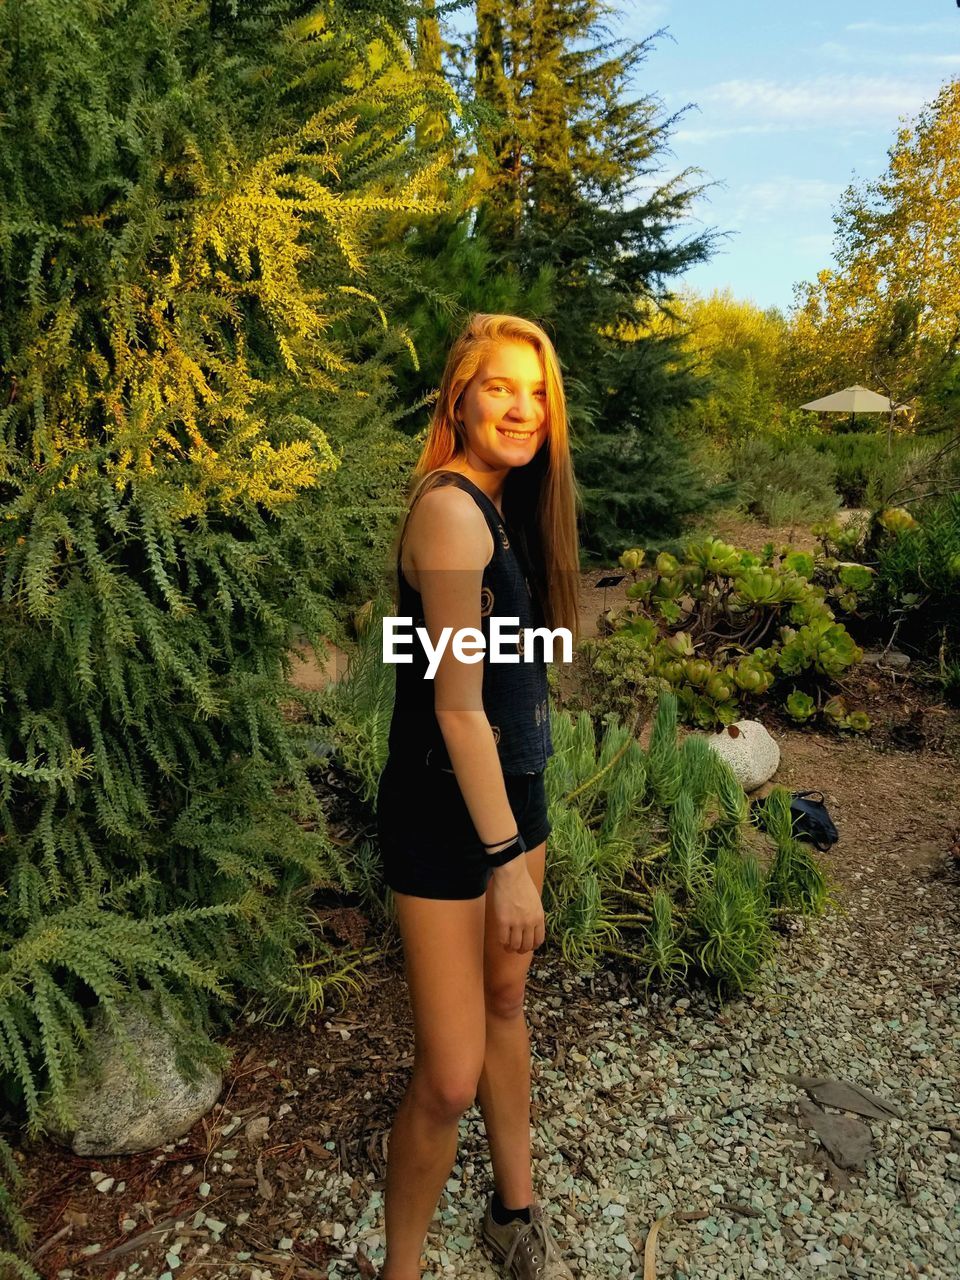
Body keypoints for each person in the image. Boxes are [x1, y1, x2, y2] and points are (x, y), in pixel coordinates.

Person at [375, 314, 581, 1280]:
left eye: (536, 392)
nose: (522, 408)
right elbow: (456, 709)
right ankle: (402, 1270)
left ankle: (514, 1208)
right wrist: (507, 866)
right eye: (500, 386)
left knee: (507, 1002)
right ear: (458, 394)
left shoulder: (504, 511)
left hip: (514, 796)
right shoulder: (452, 509)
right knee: (448, 1079)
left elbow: (505, 676)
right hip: (447, 820)